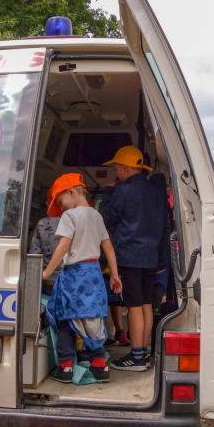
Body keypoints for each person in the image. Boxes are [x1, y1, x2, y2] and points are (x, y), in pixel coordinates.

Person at [42, 173, 122, 383]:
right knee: (93, 318)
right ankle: (99, 366)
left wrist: (47, 272)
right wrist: (114, 275)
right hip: (94, 275)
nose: (63, 208)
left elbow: (63, 246)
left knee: (67, 318)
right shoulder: (97, 216)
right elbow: (109, 248)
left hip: (75, 276)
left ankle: (66, 367)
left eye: (61, 202)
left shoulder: (70, 216)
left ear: (71, 192)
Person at [100, 146, 170, 372]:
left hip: (129, 257)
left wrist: (109, 193)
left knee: (134, 306)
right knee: (147, 304)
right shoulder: (156, 192)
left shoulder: (123, 191)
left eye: (117, 169)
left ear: (125, 168)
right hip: (150, 257)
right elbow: (163, 226)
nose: (116, 173)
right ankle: (145, 353)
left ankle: (136, 357)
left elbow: (106, 218)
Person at [28, 197, 63, 294]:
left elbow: (34, 253)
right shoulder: (71, 221)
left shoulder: (42, 223)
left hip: (50, 278)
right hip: (71, 276)